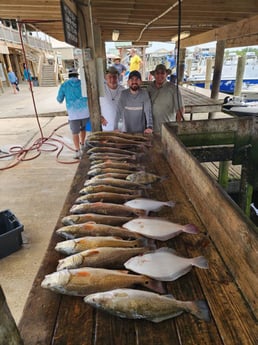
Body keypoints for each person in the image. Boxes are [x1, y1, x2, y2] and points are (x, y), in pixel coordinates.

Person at [57, 68, 90, 159]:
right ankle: (83, 145)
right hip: (85, 113)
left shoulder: (64, 85)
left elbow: (59, 99)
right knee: (83, 129)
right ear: (77, 75)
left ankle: (77, 151)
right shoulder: (83, 84)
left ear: (69, 76)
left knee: (75, 132)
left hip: (73, 114)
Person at [147, 64, 184, 134]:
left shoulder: (173, 89)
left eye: (162, 73)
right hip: (152, 129)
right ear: (154, 75)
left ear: (166, 74)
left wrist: (177, 126)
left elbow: (180, 109)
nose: (160, 76)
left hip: (168, 129)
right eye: (157, 73)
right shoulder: (149, 88)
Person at [100, 66, 125, 131]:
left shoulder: (123, 90)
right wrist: (99, 117)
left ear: (118, 77)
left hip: (120, 128)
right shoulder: (101, 89)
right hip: (106, 127)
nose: (112, 80)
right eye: (110, 77)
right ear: (105, 78)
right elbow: (92, 105)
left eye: (114, 77)